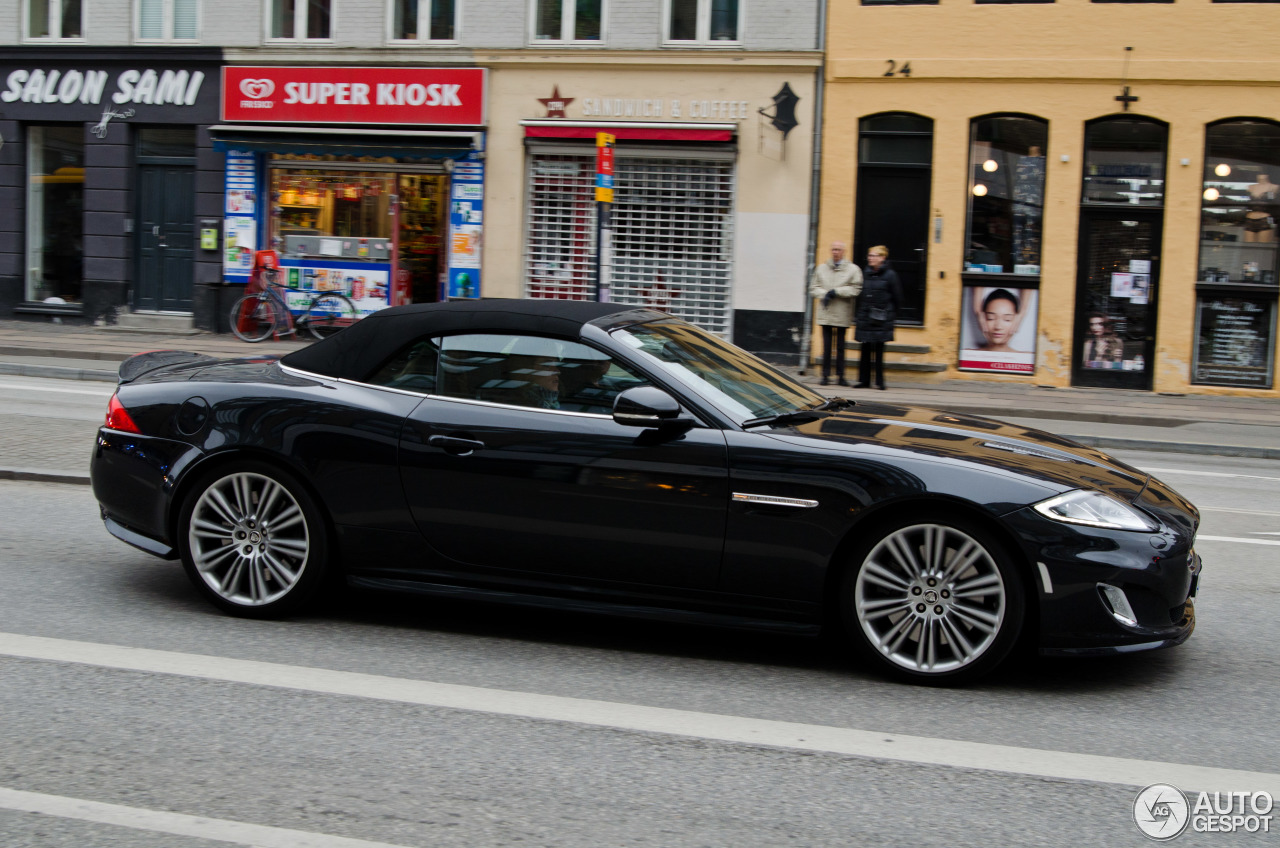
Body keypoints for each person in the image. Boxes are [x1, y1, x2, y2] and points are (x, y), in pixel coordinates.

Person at [808, 241, 863, 386]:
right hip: (826, 312)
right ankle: (825, 375)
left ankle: (841, 376)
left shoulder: (853, 269)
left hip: (842, 312)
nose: (835, 252)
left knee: (840, 346)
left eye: (838, 250)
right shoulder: (821, 268)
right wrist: (825, 294)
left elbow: (856, 288)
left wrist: (837, 292)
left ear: (844, 251)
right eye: (833, 249)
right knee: (826, 346)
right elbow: (813, 287)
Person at [854, 245, 904, 390]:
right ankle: (864, 380)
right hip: (866, 316)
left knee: (879, 350)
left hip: (882, 317)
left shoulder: (890, 275)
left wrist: (890, 314)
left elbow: (898, 297)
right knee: (865, 349)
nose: (870, 258)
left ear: (882, 258)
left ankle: (880, 381)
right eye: (869, 255)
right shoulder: (865, 273)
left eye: (874, 255)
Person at [971, 288, 1026, 353]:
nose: (998, 327)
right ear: (982, 319)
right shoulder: (967, 356)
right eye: (990, 318)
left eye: (1007, 319)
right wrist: (978, 312)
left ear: (1016, 321)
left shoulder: (1026, 358)